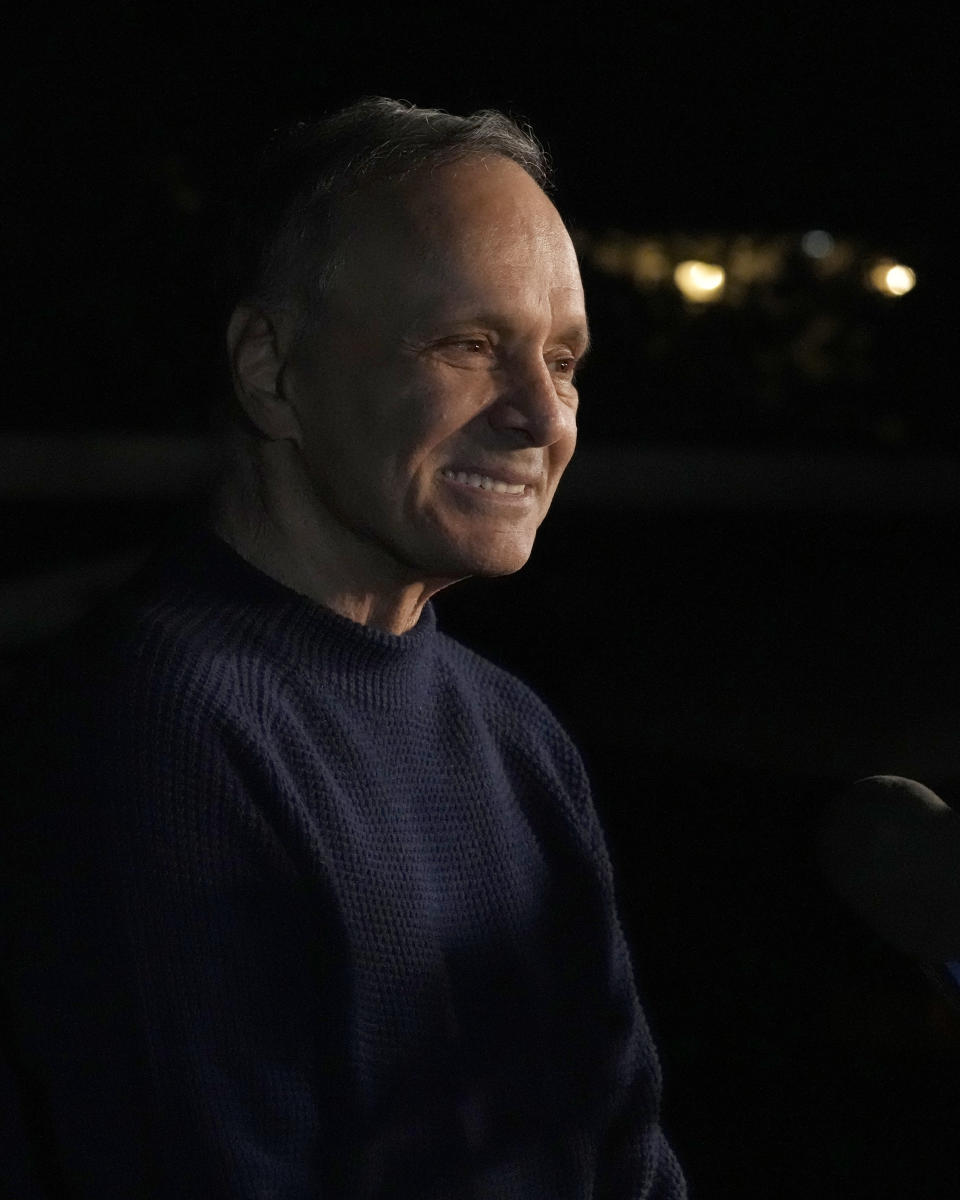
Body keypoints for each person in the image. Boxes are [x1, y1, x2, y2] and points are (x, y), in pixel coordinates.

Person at [2, 98, 687, 1198]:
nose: (541, 418)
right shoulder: (160, 740)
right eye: (468, 345)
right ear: (271, 371)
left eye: (563, 362)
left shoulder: (517, 735)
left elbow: (628, 1155)